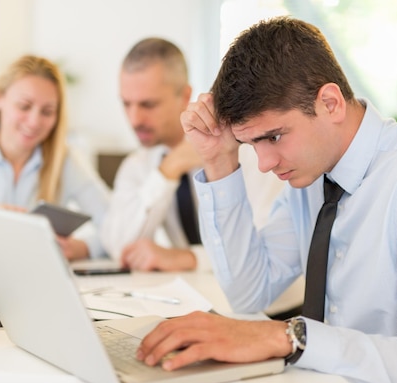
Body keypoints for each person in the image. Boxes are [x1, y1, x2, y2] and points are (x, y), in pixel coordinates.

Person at [136, 17, 397, 383]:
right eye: (250, 144)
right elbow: (249, 292)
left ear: (329, 103)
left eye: (273, 137)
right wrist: (219, 161)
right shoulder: (315, 174)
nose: (263, 163)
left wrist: (291, 338)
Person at [100, 38, 283, 272]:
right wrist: (169, 169)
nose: (134, 119)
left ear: (185, 96)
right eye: (126, 104)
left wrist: (189, 259)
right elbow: (120, 248)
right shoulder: (137, 165)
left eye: (148, 105)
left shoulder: (248, 150)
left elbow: (269, 248)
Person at [0, 54, 111, 260]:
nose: (34, 122)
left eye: (47, 111)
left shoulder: (65, 161)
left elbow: (114, 225)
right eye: (24, 106)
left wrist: (82, 247)